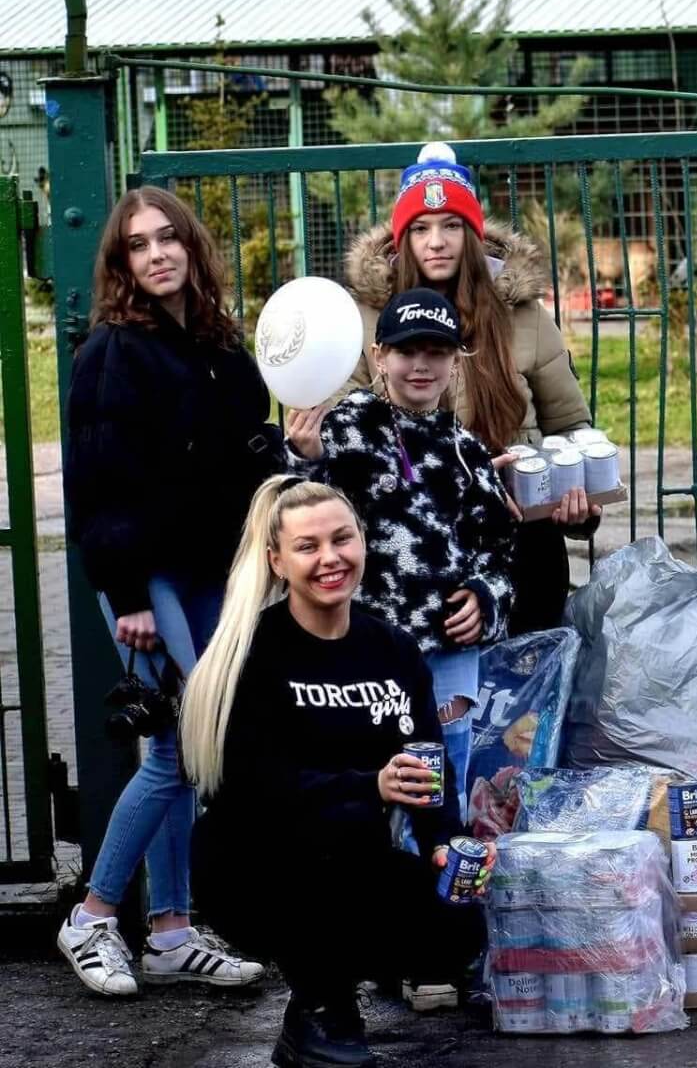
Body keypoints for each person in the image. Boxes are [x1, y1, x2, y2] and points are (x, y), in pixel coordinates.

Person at [180, 477, 490, 1067]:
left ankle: (315, 1011)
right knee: (315, 871)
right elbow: (254, 789)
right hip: (254, 862)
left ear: (363, 543)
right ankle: (325, 1009)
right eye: (308, 546)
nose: (330, 559)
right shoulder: (253, 653)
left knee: (455, 922)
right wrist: (368, 785)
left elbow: (429, 770)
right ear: (276, 560)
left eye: (342, 539)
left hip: (350, 854)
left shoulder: (394, 650)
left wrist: (449, 847)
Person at [58, 186, 276, 996]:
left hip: (212, 571)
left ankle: (173, 930)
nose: (157, 254)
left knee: (188, 751)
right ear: (121, 262)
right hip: (145, 576)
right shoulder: (113, 349)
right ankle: (92, 915)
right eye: (138, 244)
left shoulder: (218, 342)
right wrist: (130, 595)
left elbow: (247, 454)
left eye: (169, 238)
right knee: (179, 749)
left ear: (191, 247)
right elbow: (96, 483)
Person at [342, 142, 600, 636]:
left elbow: (571, 430)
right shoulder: (365, 324)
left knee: (525, 705)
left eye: (451, 225)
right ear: (402, 240)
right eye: (420, 228)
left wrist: (574, 500)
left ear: (474, 234)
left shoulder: (524, 318)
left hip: (524, 537)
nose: (436, 241)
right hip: (412, 547)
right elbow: (347, 443)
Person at [286, 288, 518, 723]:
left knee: (443, 771)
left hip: (449, 648)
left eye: (436, 352)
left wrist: (487, 600)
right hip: (360, 642)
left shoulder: (468, 450)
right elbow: (298, 518)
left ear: (456, 361)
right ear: (379, 356)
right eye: (406, 351)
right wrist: (305, 459)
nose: (421, 365)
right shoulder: (346, 428)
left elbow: (498, 550)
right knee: (366, 772)